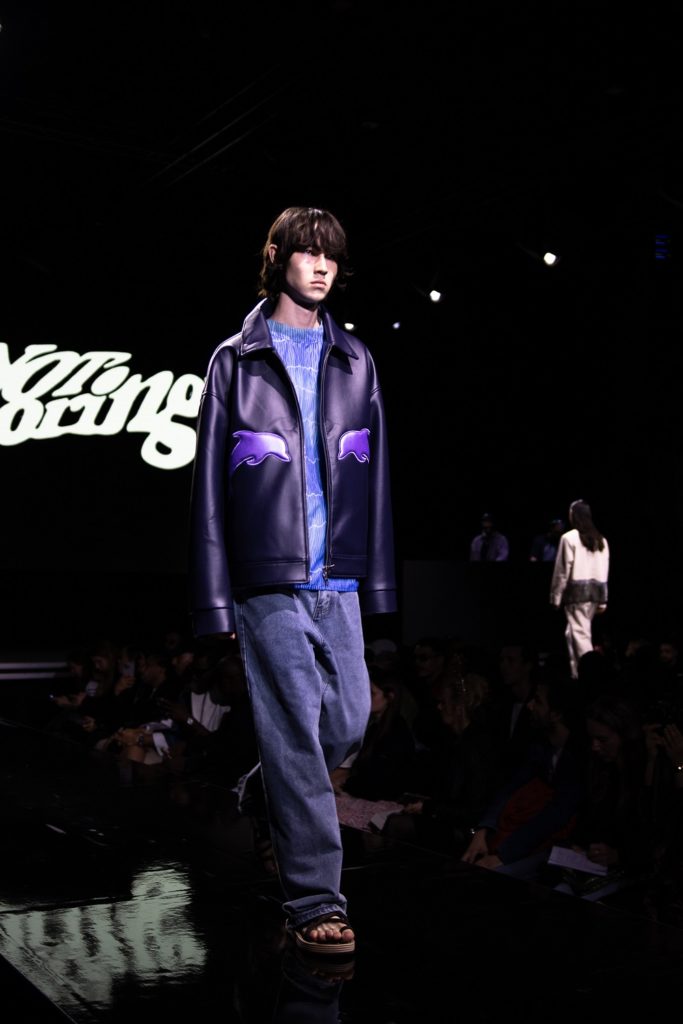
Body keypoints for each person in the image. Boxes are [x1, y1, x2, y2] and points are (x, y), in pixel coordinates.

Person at [188, 206, 396, 957]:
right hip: (266, 576)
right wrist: (216, 597)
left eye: (331, 254)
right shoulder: (234, 359)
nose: (321, 265)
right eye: (307, 251)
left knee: (348, 721)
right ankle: (314, 901)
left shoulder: (356, 359)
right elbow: (209, 488)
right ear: (276, 257)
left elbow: (376, 475)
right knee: (299, 739)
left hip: (337, 575)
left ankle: (263, 785)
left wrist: (378, 582)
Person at [550, 499, 610, 680]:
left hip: (577, 596)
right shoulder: (601, 540)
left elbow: (562, 571)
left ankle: (591, 676)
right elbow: (604, 570)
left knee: (580, 635)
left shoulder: (569, 538)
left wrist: (555, 597)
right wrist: (603, 599)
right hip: (594, 595)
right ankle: (576, 673)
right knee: (573, 633)